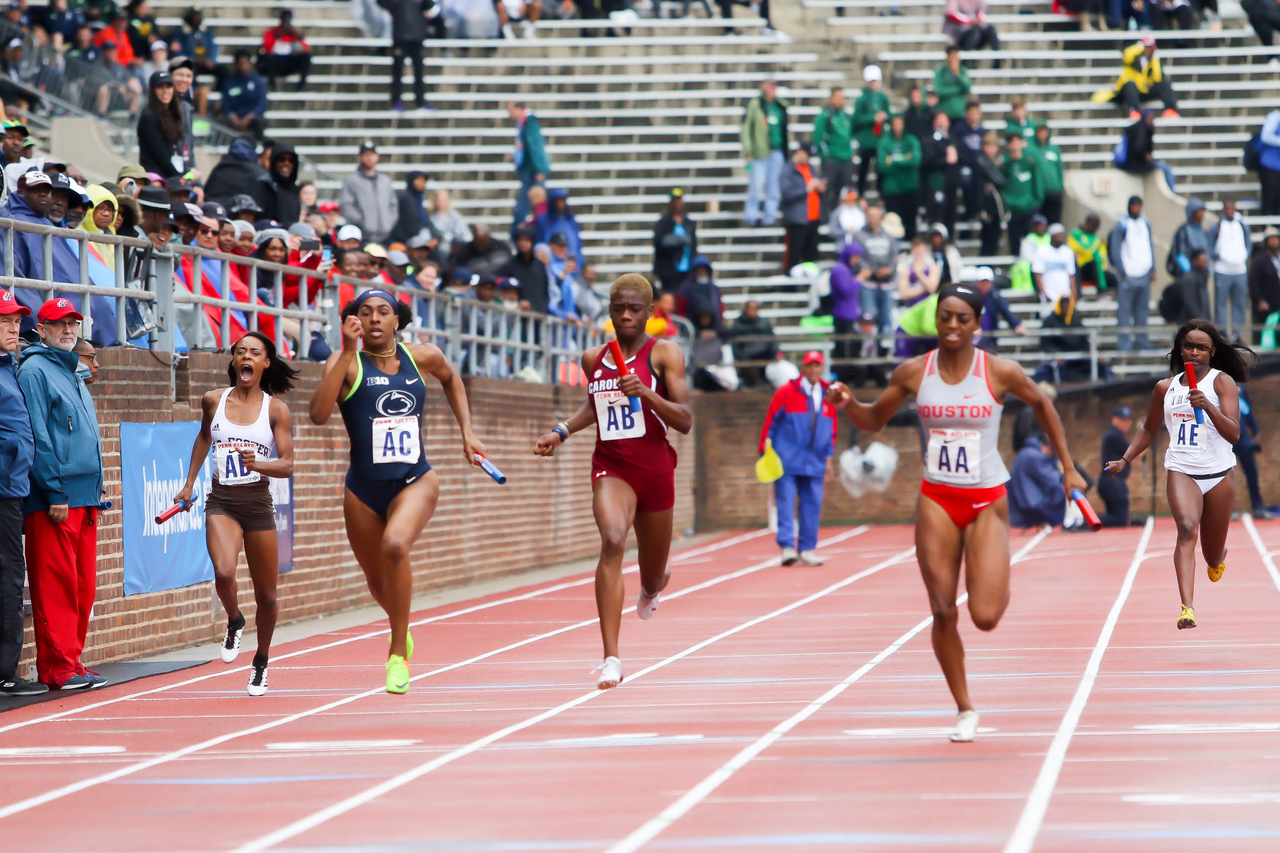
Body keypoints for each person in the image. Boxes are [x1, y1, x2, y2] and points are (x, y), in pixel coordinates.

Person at [826, 282, 1086, 742]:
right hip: (937, 498)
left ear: (977, 325)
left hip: (986, 498)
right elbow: (872, 420)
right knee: (943, 610)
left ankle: (997, 575)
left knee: (984, 615)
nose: (951, 325)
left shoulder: (999, 372)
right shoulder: (912, 372)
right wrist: (848, 405)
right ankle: (965, 708)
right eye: (945, 315)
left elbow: (1043, 404)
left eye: (962, 318)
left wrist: (1068, 467)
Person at [308, 290, 487, 694]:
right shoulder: (344, 364)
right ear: (352, 321)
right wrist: (345, 350)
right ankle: (401, 625)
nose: (373, 319)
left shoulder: (422, 356)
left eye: (382, 313)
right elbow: (318, 415)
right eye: (364, 313)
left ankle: (396, 654)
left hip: (415, 479)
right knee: (375, 579)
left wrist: (467, 431)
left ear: (396, 321)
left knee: (394, 547)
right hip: (362, 488)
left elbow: (451, 378)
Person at [532, 274, 692, 690]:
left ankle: (654, 586)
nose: (625, 315)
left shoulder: (665, 354)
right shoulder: (594, 358)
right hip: (612, 467)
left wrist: (648, 394)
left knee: (652, 573)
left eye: (634, 309)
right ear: (608, 310)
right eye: (618, 308)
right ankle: (611, 658)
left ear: (650, 312)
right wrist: (561, 431)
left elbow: (686, 420)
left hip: (656, 469)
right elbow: (596, 405)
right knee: (614, 540)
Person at [1105, 321, 1255, 629]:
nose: (1195, 352)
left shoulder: (1221, 382)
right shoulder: (1165, 387)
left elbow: (1234, 434)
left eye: (1202, 348)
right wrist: (1125, 458)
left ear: (1212, 353)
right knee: (1187, 528)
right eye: (1189, 346)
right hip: (1181, 468)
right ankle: (1188, 608)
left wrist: (1207, 407)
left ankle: (1218, 555)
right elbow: (1149, 428)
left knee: (1212, 556)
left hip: (1219, 474)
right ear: (1180, 348)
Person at [171, 333, 296, 696]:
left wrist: (259, 463)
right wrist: (189, 482)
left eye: (255, 352)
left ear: (265, 363)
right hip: (222, 501)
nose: (247, 356)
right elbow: (203, 438)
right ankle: (234, 620)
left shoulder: (276, 410)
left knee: (268, 597)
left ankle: (261, 661)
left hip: (258, 506)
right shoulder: (213, 400)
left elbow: (288, 464)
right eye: (241, 351)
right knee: (224, 571)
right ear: (234, 361)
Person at [19, 298, 108, 690]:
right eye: (58, 324)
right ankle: (56, 668)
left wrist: (95, 491)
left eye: (73, 322)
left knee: (83, 586)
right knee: (56, 585)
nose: (68, 330)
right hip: (55, 499)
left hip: (83, 498)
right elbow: (37, 435)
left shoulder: (72, 369)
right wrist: (54, 489)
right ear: (41, 329)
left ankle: (72, 661)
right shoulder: (35, 370)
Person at [0, 290, 43, 697]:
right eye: (5, 321)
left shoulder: (11, 366)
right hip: (2, 490)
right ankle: (4, 672)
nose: (14, 327)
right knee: (10, 576)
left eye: (16, 320)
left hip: (12, 488)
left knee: (11, 575)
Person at [759, 350, 837, 566]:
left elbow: (831, 427)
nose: (813, 370)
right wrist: (764, 450)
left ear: (822, 368)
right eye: (810, 365)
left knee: (812, 503)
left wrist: (829, 456)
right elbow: (771, 421)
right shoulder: (786, 392)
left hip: (816, 459)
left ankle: (807, 548)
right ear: (803, 368)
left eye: (817, 365)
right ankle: (786, 547)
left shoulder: (828, 393)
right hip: (787, 457)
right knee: (785, 502)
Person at [1108, 194, 1156, 351]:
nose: (1136, 209)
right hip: (1128, 274)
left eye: (1138, 206)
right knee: (1125, 312)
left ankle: (1142, 341)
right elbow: (1115, 250)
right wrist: (1121, 271)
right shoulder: (1121, 225)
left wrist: (1152, 267)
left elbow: (1149, 246)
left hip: (1144, 272)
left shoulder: (1145, 223)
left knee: (1142, 311)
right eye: (1134, 205)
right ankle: (1124, 344)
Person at [741, 79, 788, 227]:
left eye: (775, 85)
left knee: (774, 186)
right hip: (760, 152)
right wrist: (748, 149)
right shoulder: (756, 105)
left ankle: (770, 216)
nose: (773, 88)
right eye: (770, 85)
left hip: (777, 150)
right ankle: (751, 216)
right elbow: (746, 128)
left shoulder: (780, 105)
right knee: (756, 185)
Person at [340, 141, 398, 245]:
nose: (369, 158)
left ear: (377, 157)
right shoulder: (351, 180)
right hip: (362, 237)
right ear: (359, 157)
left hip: (386, 236)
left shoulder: (385, 181)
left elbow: (393, 205)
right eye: (366, 155)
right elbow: (346, 205)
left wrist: (388, 223)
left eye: (372, 154)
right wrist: (362, 222)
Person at [779, 142, 825, 270]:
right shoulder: (788, 170)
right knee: (793, 255)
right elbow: (786, 193)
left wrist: (820, 187)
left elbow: (818, 183)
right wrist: (806, 189)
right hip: (797, 219)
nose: (808, 158)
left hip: (813, 218)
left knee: (811, 255)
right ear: (800, 152)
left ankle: (809, 285)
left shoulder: (811, 169)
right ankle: (789, 286)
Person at [854, 204, 900, 334]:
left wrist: (889, 269)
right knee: (868, 316)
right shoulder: (859, 235)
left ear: (880, 217)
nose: (873, 219)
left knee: (886, 317)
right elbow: (857, 257)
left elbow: (894, 256)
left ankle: (884, 347)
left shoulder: (888, 236)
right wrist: (873, 271)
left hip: (886, 283)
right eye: (870, 216)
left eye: (876, 216)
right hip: (868, 283)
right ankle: (868, 347)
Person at [136, 71, 190, 180]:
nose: (165, 91)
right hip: (156, 177)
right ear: (153, 90)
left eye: (168, 87)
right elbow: (159, 153)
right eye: (160, 87)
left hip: (171, 174)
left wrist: (185, 173)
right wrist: (179, 178)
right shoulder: (149, 116)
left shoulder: (173, 113)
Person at [1210, 199, 1251, 339]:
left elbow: (1248, 243)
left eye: (1231, 208)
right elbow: (1210, 244)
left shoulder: (1242, 225)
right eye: (1226, 208)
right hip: (1222, 269)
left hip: (1239, 270)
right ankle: (1221, 333)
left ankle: (1237, 333)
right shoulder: (1217, 225)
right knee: (1221, 303)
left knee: (1239, 303)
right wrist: (1218, 255)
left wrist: (1244, 255)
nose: (1229, 211)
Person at [378, 0, 429, 110]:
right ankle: (396, 101)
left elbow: (430, 6)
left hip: (417, 38)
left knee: (419, 72)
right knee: (397, 72)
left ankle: (420, 102)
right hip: (400, 37)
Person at [1233, 384, 1273, 519]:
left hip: (1243, 438)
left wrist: (1255, 429)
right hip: (1225, 438)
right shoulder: (1215, 383)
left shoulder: (1240, 387)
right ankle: (1228, 510)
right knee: (1224, 475)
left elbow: (1247, 409)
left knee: (1252, 473)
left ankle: (1258, 508)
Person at [1110, 37, 1178, 118]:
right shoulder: (1133, 58)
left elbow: (1158, 78)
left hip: (1144, 90)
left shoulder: (1152, 61)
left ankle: (1170, 109)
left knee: (1165, 83)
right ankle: (1134, 111)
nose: (1148, 49)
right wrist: (1138, 47)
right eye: (1146, 47)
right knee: (1130, 85)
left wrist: (1155, 58)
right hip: (1130, 91)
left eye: (1150, 47)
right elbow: (1126, 55)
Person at [812, 86, 854, 215]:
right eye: (837, 98)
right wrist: (826, 154)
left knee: (845, 191)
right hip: (831, 159)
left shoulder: (846, 116)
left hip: (846, 159)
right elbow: (818, 136)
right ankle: (825, 216)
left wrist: (850, 152)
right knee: (828, 189)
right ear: (831, 99)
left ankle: (842, 217)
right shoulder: (825, 116)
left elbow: (850, 136)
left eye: (842, 98)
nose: (840, 101)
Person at [1007, 435, 1065, 529]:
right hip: (1031, 506)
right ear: (1047, 446)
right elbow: (1052, 480)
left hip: (1018, 507)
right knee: (1068, 486)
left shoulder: (1025, 452)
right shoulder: (1034, 456)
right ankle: (1073, 521)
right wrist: (1061, 471)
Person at [509, 102, 549, 233]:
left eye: (511, 110)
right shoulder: (524, 122)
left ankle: (519, 234)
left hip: (533, 171)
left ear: (519, 109)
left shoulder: (529, 122)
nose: (509, 114)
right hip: (530, 169)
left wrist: (539, 169)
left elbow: (535, 146)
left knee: (532, 204)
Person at [830, 241, 867, 377]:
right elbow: (846, 290)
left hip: (850, 314)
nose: (856, 260)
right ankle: (840, 374)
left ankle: (847, 374)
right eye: (855, 256)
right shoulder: (839, 269)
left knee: (850, 347)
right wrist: (859, 279)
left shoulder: (848, 269)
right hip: (842, 314)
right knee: (842, 347)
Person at [851, 65, 889, 196]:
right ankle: (861, 194)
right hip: (866, 140)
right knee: (863, 169)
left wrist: (884, 117)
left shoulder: (883, 97)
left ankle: (881, 195)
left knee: (881, 169)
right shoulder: (862, 99)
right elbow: (856, 119)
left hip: (879, 140)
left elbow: (888, 114)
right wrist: (872, 118)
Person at [1117, 108, 1176, 192]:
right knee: (1166, 169)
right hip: (1137, 165)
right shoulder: (1142, 130)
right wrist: (1146, 157)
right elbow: (1138, 148)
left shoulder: (1139, 128)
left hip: (1132, 164)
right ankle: (1172, 193)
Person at [921, 112, 960, 236]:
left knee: (951, 213)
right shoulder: (929, 139)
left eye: (944, 120)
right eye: (939, 120)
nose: (942, 123)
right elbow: (927, 160)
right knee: (936, 213)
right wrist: (945, 158)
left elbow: (961, 157)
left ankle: (950, 241)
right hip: (936, 183)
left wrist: (955, 156)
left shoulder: (953, 139)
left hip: (951, 183)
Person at [1001, 133, 1041, 253]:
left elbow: (1036, 182)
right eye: (1012, 143)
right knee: (1014, 238)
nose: (1015, 146)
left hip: (1028, 205)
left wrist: (1035, 200)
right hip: (1013, 206)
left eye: (1017, 142)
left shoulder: (1029, 161)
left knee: (1030, 238)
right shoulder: (1005, 164)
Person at [652, 187, 697, 292]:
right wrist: (677, 241)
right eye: (675, 200)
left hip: (687, 271)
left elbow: (694, 245)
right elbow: (658, 242)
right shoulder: (663, 222)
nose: (678, 203)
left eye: (679, 200)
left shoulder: (689, 223)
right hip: (669, 271)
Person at [497, 227, 550, 315]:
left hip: (539, 316)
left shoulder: (539, 266)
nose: (522, 243)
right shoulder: (510, 265)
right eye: (520, 240)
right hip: (518, 316)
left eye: (526, 240)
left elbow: (545, 292)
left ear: (532, 242)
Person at [973, 266, 1026, 352]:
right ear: (977, 282)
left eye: (987, 282)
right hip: (973, 339)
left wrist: (1016, 325)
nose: (985, 285)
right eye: (982, 282)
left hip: (990, 338)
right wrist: (973, 326)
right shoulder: (971, 295)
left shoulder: (994, 295)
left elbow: (1005, 310)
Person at [247, 142, 301, 225]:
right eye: (282, 159)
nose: (286, 163)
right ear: (273, 161)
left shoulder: (295, 190)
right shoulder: (262, 185)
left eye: (291, 160)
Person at [203, 137, 266, 208]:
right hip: (239, 213)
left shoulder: (220, 167)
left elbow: (206, 191)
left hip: (213, 209)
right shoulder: (257, 171)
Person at [219, 51, 268, 139]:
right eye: (240, 63)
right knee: (220, 122)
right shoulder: (229, 82)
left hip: (252, 117)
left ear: (249, 64)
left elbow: (262, 103)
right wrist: (233, 116)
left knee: (259, 122)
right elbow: (225, 103)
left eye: (245, 63)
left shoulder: (257, 81)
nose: (242, 66)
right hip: (234, 117)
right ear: (236, 64)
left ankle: (259, 143)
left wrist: (249, 117)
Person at [1098, 405, 1134, 527]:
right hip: (1113, 483)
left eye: (1128, 420)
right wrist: (1145, 432)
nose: (1127, 423)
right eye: (1123, 420)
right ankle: (1085, 519)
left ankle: (1088, 520)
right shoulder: (1114, 436)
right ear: (1115, 420)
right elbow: (1136, 451)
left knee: (1114, 518)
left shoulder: (1117, 435)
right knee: (1120, 520)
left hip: (1112, 482)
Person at [257, 9, 310, 91]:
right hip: (275, 63)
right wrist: (280, 34)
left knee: (306, 57)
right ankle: (272, 85)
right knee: (268, 58)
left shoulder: (294, 33)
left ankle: (301, 85)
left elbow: (305, 49)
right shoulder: (271, 32)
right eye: (284, 19)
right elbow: (267, 49)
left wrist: (296, 36)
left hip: (289, 62)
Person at [729, 300, 778, 387]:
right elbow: (735, 346)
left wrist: (774, 353)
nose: (752, 311)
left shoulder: (764, 323)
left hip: (765, 357)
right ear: (746, 310)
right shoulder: (738, 325)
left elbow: (772, 340)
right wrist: (743, 358)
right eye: (750, 308)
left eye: (755, 308)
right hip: (747, 359)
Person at [1031, 223, 1077, 308]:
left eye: (1062, 235)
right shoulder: (1042, 251)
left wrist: (1074, 294)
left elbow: (1072, 276)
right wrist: (1044, 293)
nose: (1061, 237)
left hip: (1065, 296)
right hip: (1049, 295)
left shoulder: (1068, 252)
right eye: (1059, 235)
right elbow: (1037, 275)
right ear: (1052, 236)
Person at [1162, 249, 1212, 326]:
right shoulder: (1189, 279)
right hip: (1190, 325)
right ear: (1195, 261)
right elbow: (1189, 304)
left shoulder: (1201, 278)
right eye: (1203, 261)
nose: (1206, 264)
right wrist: (1203, 322)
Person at [1030, 125, 1063, 226]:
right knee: (1038, 223)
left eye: (1044, 132)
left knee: (1054, 222)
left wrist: (1061, 187)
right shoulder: (1032, 150)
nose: (1042, 135)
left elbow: (1060, 169)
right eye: (1040, 132)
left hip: (1054, 192)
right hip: (1039, 193)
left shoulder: (1054, 149)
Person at [1250, 228, 1280, 336]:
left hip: (1278, 304)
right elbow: (1253, 282)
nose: (1274, 242)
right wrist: (1259, 300)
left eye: (1276, 239)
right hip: (1267, 304)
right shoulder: (1259, 260)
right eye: (1271, 239)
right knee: (1266, 333)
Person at [1069, 214, 1110, 292]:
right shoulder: (1076, 235)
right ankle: (1100, 291)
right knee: (1094, 264)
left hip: (1097, 270)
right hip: (1081, 268)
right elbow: (1084, 250)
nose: (1096, 229)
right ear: (1088, 223)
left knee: (1114, 279)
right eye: (1094, 225)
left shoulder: (1096, 238)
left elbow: (1101, 254)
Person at [932, 47, 971, 121]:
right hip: (944, 114)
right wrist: (958, 89)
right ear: (947, 57)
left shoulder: (962, 71)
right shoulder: (940, 71)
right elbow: (939, 90)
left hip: (960, 113)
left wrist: (957, 74)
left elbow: (967, 88)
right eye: (952, 56)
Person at [390, 171, 429, 245]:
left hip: (417, 239)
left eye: (423, 180)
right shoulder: (403, 197)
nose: (421, 183)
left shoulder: (419, 199)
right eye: (418, 180)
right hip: (402, 241)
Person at [828, 186, 866, 251]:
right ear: (843, 199)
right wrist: (847, 231)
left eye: (854, 200)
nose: (852, 202)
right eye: (850, 200)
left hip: (860, 245)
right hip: (843, 246)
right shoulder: (837, 213)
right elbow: (832, 231)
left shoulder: (861, 212)